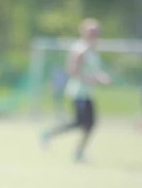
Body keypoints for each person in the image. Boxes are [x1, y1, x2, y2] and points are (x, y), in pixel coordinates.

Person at [40, 18, 111, 162]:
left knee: (90, 124)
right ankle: (49, 134)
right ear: (83, 32)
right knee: (79, 123)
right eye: (91, 31)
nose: (94, 34)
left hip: (87, 93)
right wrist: (93, 79)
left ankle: (78, 152)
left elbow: (93, 70)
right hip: (78, 92)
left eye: (96, 31)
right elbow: (73, 71)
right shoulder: (79, 49)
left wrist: (101, 77)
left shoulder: (92, 50)